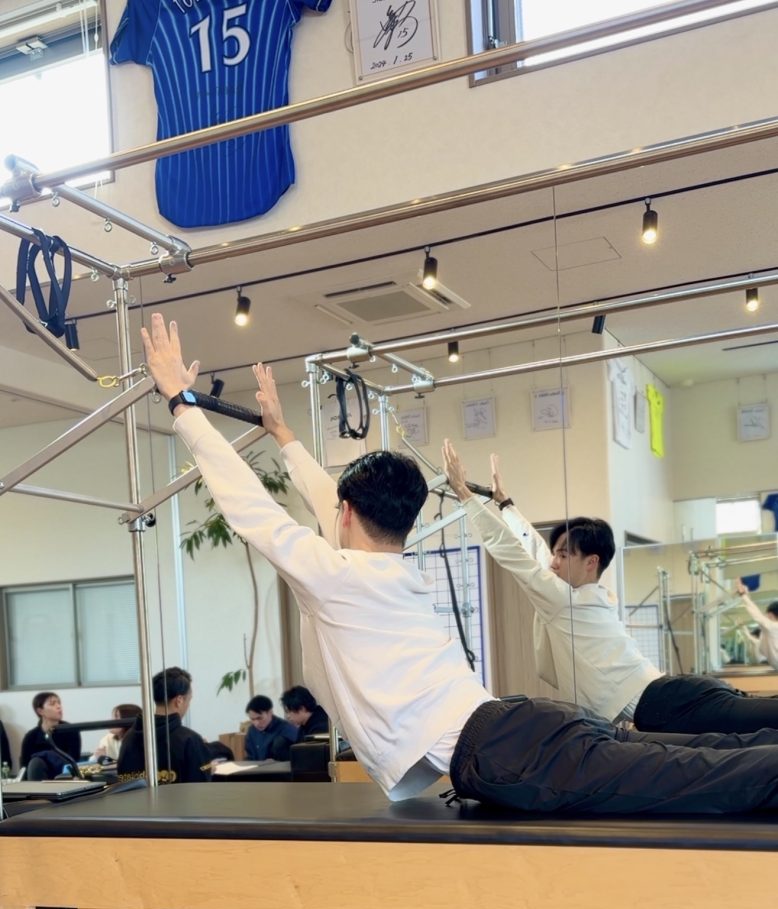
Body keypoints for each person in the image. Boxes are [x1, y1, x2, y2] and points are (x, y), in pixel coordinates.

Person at [141, 312, 778, 815]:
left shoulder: (338, 579)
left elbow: (252, 508)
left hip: (505, 749)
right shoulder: (392, 573)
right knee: (706, 758)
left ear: (346, 515)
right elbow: (319, 499)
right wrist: (283, 436)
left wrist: (181, 404)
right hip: (516, 727)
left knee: (704, 774)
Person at [442, 441, 778, 736]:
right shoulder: (583, 595)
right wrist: (505, 504)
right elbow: (533, 548)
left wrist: (466, 497)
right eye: (556, 553)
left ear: (591, 562)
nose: (553, 562)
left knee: (760, 720)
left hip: (664, 701)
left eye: (563, 555)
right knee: (759, 719)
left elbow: (512, 552)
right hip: (668, 696)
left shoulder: (565, 600)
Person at [117, 667, 213, 784]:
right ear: (179, 700)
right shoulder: (190, 740)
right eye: (189, 700)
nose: (188, 705)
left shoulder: (128, 738)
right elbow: (201, 787)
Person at [20, 692, 81, 770]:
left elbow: (74, 760)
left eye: (59, 703)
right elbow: (25, 766)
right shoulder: (31, 736)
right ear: (40, 711)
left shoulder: (71, 730)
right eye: (52, 704)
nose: (58, 706)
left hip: (65, 774)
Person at [737, 580, 778, 670]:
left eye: (767, 615)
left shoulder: (773, 627)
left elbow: (757, 615)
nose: (765, 616)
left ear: (771, 614)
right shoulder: (770, 628)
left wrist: (743, 595)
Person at [244, 695, 299, 760]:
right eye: (252, 719)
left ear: (270, 712)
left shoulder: (286, 729)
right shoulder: (252, 731)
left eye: (259, 718)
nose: (256, 723)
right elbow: (250, 757)